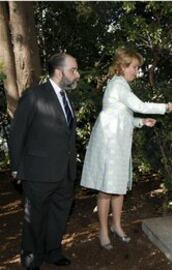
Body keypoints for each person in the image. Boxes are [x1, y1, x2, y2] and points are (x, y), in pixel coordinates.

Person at [80, 47, 172, 250]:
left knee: (118, 187)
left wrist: (140, 122)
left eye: (137, 67)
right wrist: (169, 106)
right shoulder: (118, 85)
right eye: (135, 67)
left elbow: (123, 115)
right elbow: (140, 105)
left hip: (118, 143)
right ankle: (103, 230)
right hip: (109, 144)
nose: (137, 71)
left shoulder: (121, 86)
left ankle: (116, 226)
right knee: (106, 190)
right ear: (122, 66)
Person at [8, 53, 80, 269]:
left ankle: (53, 252)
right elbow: (17, 134)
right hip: (38, 172)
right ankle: (31, 258)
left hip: (65, 173)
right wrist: (16, 168)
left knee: (58, 215)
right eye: (73, 70)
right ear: (59, 72)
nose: (77, 75)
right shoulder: (34, 96)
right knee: (35, 219)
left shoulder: (67, 97)